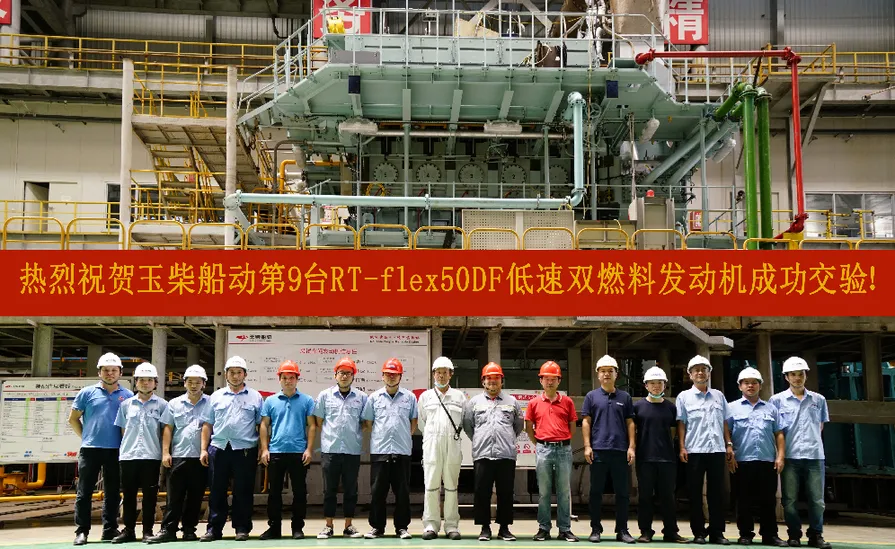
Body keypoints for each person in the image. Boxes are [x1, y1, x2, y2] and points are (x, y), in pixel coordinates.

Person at [69, 352, 134, 546]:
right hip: (90, 450)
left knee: (113, 492)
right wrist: (86, 437)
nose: (110, 373)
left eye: (114, 370)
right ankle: (82, 531)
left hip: (116, 450)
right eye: (106, 370)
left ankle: (109, 528)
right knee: (84, 492)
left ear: (120, 372)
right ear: (99, 372)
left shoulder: (128, 396)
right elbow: (73, 419)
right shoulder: (87, 393)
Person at [200, 356, 263, 542]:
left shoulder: (255, 397)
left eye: (239, 372)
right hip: (219, 448)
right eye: (232, 372)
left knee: (243, 491)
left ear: (245, 375)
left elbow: (262, 425)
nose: (235, 376)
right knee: (216, 490)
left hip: (245, 450)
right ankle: (214, 529)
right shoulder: (216, 397)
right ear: (226, 374)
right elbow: (207, 424)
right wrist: (203, 449)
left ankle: (242, 528)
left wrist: (262, 448)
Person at [769, 357, 831, 549]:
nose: (797, 378)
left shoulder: (818, 400)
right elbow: (775, 430)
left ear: (806, 375)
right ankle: (794, 535)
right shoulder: (776, 401)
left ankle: (816, 535)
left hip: (815, 455)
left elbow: (820, 426)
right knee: (789, 500)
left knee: (817, 500)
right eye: (793, 374)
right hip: (790, 456)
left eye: (801, 374)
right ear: (786, 377)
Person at [148, 365, 211, 544]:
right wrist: (165, 453)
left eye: (197, 382)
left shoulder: (210, 403)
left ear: (204, 384)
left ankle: (189, 530)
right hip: (178, 456)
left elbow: (209, 426)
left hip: (200, 458)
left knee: (195, 496)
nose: (193, 385)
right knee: (174, 496)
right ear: (184, 383)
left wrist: (204, 450)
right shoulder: (174, 404)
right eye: (190, 382)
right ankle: (168, 530)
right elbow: (168, 428)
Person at [462, 362, 523, 542]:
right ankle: (484, 528)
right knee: (482, 492)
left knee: (506, 492)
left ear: (501, 381)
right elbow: (468, 426)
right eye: (489, 378)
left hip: (506, 454)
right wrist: (480, 439)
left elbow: (518, 426)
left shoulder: (512, 402)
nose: (492, 381)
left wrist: (506, 439)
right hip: (482, 454)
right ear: (483, 381)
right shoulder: (474, 403)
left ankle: (504, 528)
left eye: (496, 378)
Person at [677, 355, 735, 546]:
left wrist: (728, 444)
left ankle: (717, 532)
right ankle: (699, 532)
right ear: (690, 374)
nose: (700, 373)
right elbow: (682, 424)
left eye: (704, 369)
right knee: (694, 493)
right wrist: (682, 447)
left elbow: (724, 422)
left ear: (709, 373)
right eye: (696, 370)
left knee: (717, 493)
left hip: (717, 449)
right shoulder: (684, 397)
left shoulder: (718, 396)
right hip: (694, 450)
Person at [727, 367, 787, 547]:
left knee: (768, 500)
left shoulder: (771, 408)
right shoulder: (731, 408)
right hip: (742, 461)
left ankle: (770, 535)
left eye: (754, 383)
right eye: (746, 383)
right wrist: (729, 452)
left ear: (760, 386)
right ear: (740, 386)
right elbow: (726, 431)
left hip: (767, 460)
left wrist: (780, 456)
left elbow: (779, 433)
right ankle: (745, 534)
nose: (750, 386)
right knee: (743, 500)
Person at [259, 360, 317, 540]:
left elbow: (312, 426)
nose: (288, 381)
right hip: (275, 452)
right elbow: (264, 425)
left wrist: (309, 449)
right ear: (279, 379)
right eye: (284, 377)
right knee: (274, 493)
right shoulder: (270, 401)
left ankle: (297, 528)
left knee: (299, 492)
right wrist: (264, 449)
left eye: (291, 377)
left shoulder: (307, 400)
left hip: (299, 453)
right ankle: (274, 528)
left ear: (297, 379)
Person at [361, 358, 419, 539]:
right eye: (388, 374)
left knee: (402, 492)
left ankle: (402, 527)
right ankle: (377, 527)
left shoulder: (410, 397)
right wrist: (382, 435)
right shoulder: (374, 398)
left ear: (400, 376)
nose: (391, 377)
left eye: (394, 374)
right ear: (382, 376)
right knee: (378, 492)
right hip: (380, 451)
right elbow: (368, 423)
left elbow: (414, 421)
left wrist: (404, 436)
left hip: (402, 451)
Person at [582, 355, 636, 544]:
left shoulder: (625, 397)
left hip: (620, 451)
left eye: (610, 371)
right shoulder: (591, 396)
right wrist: (587, 446)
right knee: (596, 492)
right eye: (603, 371)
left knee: (622, 493)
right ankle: (595, 529)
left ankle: (622, 530)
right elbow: (586, 421)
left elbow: (630, 423)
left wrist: (631, 447)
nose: (606, 374)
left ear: (616, 374)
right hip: (598, 451)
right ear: (598, 374)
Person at [112, 362, 168, 543]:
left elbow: (165, 432)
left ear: (155, 383)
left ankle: (147, 531)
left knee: (150, 497)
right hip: (128, 456)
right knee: (128, 496)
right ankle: (128, 530)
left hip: (151, 456)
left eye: (149, 380)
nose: (145, 383)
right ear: (135, 382)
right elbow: (123, 431)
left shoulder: (162, 405)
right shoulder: (126, 405)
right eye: (141, 380)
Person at [524, 361, 579, 542]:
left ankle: (564, 529)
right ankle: (543, 528)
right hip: (543, 450)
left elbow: (572, 426)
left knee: (564, 491)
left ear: (559, 381)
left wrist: (562, 440)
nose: (549, 382)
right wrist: (540, 443)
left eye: (553, 379)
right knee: (544, 492)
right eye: (546, 378)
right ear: (541, 381)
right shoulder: (534, 403)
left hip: (563, 449)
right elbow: (529, 427)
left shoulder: (568, 402)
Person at [314, 356, 368, 539]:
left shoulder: (362, 398)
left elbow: (365, 423)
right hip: (330, 450)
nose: (344, 376)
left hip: (352, 450)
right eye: (341, 373)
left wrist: (351, 434)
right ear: (335, 375)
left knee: (351, 490)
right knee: (329, 490)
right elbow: (319, 421)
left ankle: (348, 526)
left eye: (348, 373)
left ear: (353, 376)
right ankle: (328, 526)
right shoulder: (324, 396)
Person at [633, 366, 687, 543]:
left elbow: (674, 432)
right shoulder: (638, 407)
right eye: (652, 383)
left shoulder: (670, 408)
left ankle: (670, 531)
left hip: (667, 459)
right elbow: (633, 431)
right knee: (645, 497)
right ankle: (645, 531)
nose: (656, 386)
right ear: (646, 385)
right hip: (645, 458)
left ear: (665, 385)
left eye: (660, 383)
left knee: (668, 497)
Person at [418, 356, 466, 540]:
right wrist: (432, 437)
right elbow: (422, 422)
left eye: (445, 372)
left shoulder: (459, 397)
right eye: (438, 372)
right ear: (433, 374)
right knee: (431, 485)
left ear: (450, 374)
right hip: (431, 446)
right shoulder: (425, 397)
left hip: (452, 446)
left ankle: (451, 525)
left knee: (452, 486)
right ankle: (431, 525)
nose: (441, 376)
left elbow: (464, 421)